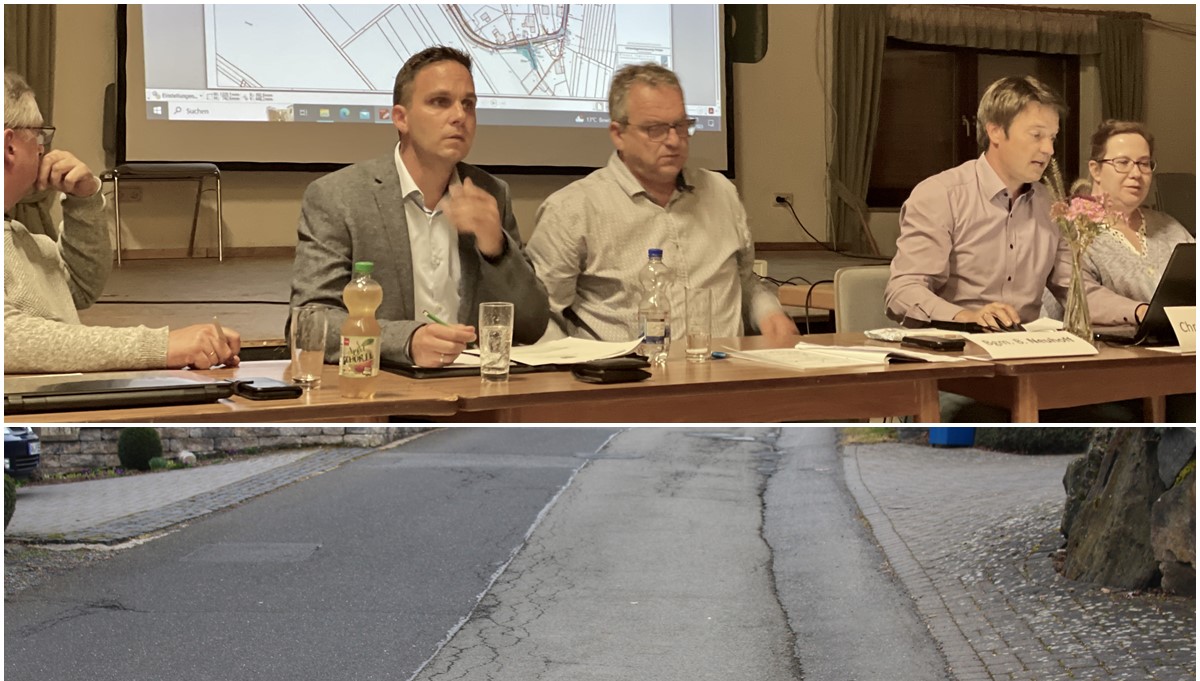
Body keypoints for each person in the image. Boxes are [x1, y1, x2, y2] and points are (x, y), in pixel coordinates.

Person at [290, 46, 548, 368]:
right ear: (401, 118)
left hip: (473, 390)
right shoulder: (339, 198)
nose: (460, 116)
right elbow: (310, 323)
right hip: (384, 392)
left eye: (468, 104)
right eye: (440, 102)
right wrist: (407, 341)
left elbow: (532, 326)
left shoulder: (490, 193)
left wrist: (497, 250)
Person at [525, 63, 793, 344]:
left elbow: (745, 282)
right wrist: (573, 373)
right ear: (618, 134)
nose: (674, 141)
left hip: (726, 372)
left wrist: (769, 313)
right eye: (656, 130)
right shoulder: (573, 209)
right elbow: (540, 316)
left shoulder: (721, 193)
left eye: (681, 126)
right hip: (626, 379)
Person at [4, 70, 240, 374]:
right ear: (10, 146)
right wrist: (162, 346)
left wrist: (84, 201)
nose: (43, 148)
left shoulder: (21, 239)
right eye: (39, 135)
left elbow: (79, 287)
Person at [885, 76, 1148, 331]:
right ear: (996, 131)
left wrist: (1140, 312)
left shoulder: (1050, 205)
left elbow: (1077, 291)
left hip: (1023, 352)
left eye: (1053, 137)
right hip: (953, 349)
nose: (1049, 149)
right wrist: (967, 317)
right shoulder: (941, 195)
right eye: (1037, 135)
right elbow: (903, 292)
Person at [1042, 120, 1194, 319]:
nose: (1136, 173)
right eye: (1123, 163)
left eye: (1144, 163)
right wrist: (1141, 312)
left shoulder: (1170, 228)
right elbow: (1080, 298)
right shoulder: (1071, 230)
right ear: (1096, 170)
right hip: (1103, 347)